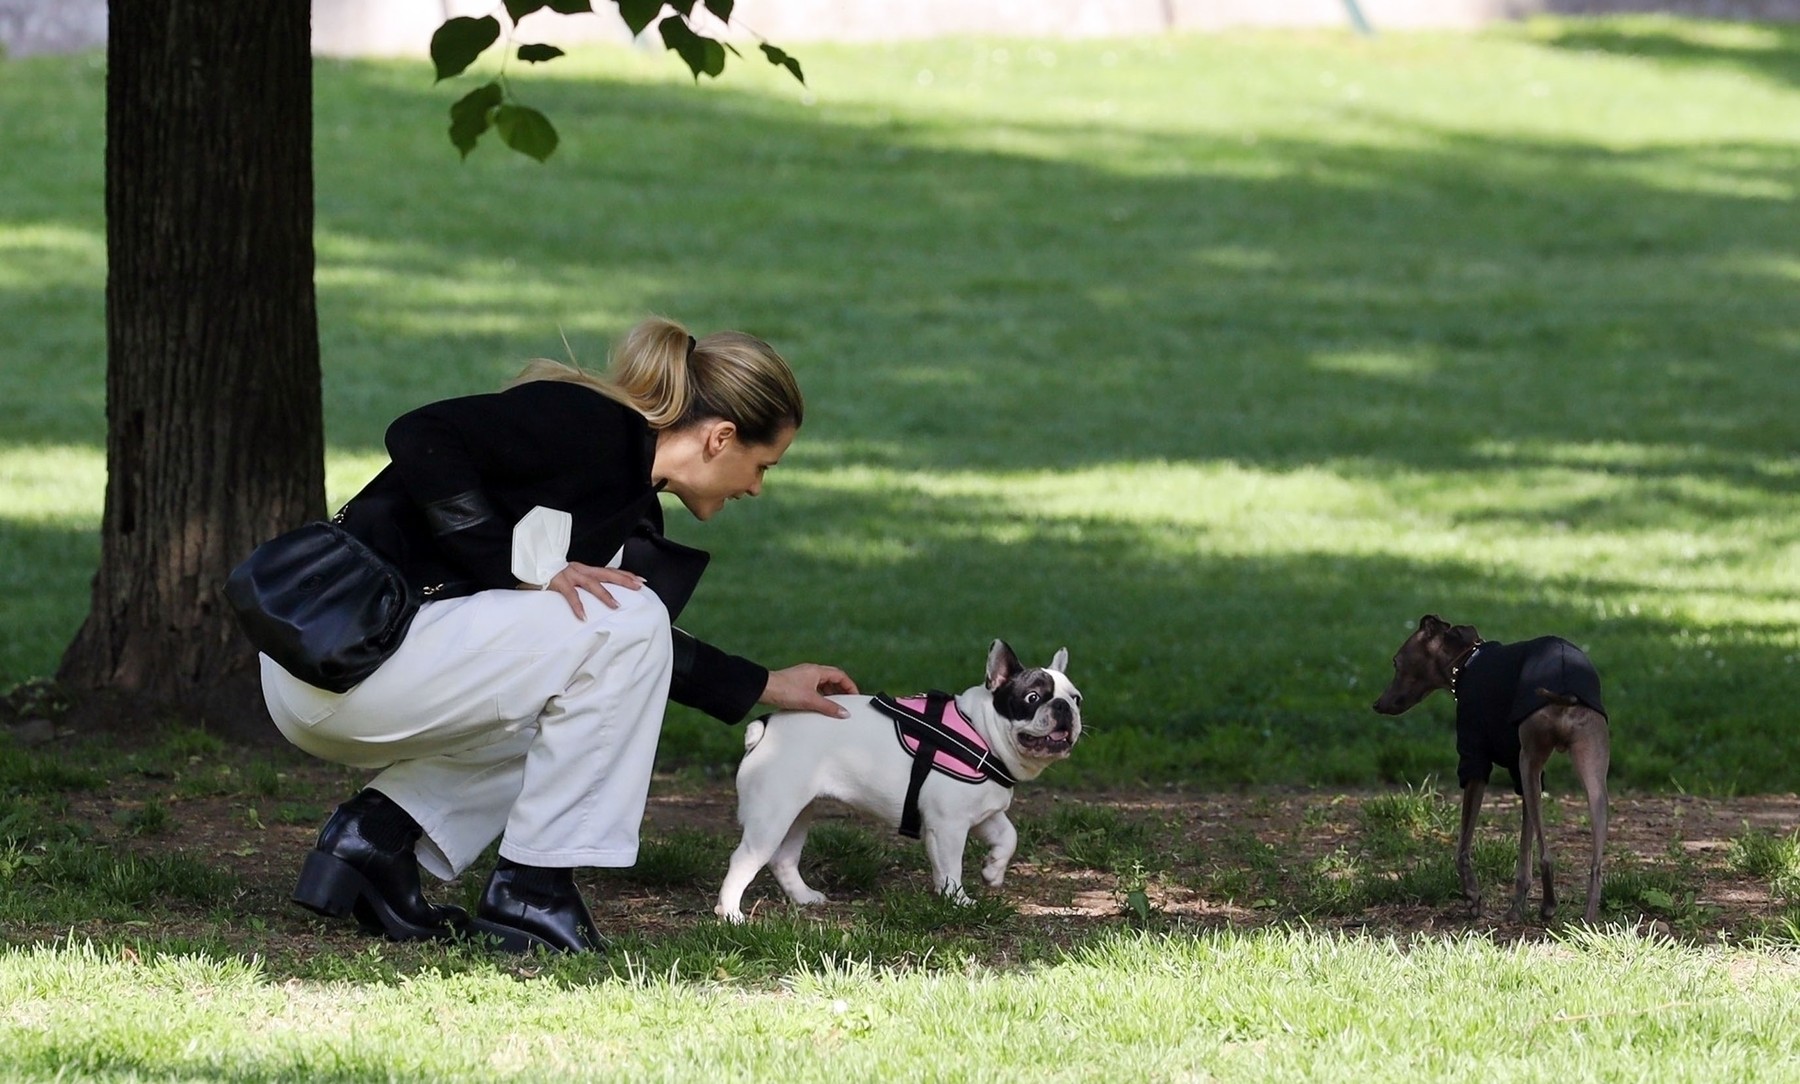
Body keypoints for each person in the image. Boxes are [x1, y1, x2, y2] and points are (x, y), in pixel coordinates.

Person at [259, 316, 858, 953]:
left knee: (603, 671)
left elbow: (623, 657)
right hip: (344, 659)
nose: (757, 487)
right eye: (762, 465)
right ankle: (532, 891)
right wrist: (514, 569)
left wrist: (766, 684)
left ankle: (374, 839)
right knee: (627, 623)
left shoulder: (631, 499)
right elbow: (420, 433)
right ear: (721, 437)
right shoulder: (589, 423)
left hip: (359, 672)